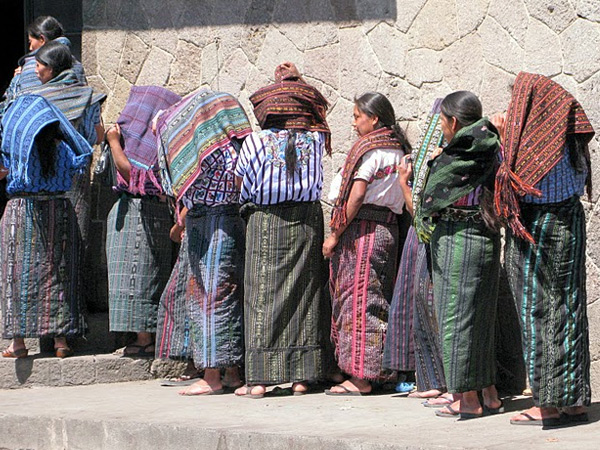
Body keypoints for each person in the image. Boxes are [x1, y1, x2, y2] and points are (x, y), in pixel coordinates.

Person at [493, 72, 593, 427]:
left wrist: (502, 138)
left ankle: (546, 404)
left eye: (515, 105)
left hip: (537, 226)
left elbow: (513, 182)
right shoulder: (567, 137)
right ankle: (574, 402)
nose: (510, 111)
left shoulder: (532, 145)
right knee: (568, 307)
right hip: (569, 222)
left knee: (536, 310)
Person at [233, 62, 331, 398]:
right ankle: (302, 377)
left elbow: (240, 182)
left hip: (265, 222)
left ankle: (260, 379)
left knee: (261, 297)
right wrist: (298, 81)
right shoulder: (315, 140)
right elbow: (319, 110)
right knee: (304, 297)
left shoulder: (255, 142)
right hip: (306, 223)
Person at [155, 88, 252, 395]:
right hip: (232, 221)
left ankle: (211, 376)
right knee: (228, 294)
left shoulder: (203, 150)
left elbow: (178, 184)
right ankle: (232, 373)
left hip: (208, 225)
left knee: (207, 297)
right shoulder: (237, 147)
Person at [414, 91, 503, 419]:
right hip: (487, 236)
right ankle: (489, 395)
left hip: (456, 239)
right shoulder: (493, 146)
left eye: (442, 121)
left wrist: (436, 160)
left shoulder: (456, 154)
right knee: (480, 319)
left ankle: (467, 400)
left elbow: (430, 195)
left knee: (455, 319)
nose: (441, 126)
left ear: (453, 121)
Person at [324, 92, 411, 395]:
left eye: (357, 116)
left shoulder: (371, 151)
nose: (354, 123)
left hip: (363, 231)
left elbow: (358, 194)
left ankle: (361, 377)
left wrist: (335, 234)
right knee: (376, 299)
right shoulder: (399, 149)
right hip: (387, 229)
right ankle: (379, 372)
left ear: (374, 118)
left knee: (358, 301)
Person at [0, 94, 92, 358]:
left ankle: (18, 343)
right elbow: (77, 166)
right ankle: (60, 341)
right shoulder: (64, 148)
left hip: (23, 213)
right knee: (58, 274)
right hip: (59, 211)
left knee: (16, 276)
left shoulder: (17, 150)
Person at [105, 86, 181, 356]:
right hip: (136, 211)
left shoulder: (154, 146)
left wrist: (114, 142)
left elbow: (133, 173)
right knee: (130, 276)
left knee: (141, 274)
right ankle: (138, 335)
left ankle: (145, 338)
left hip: (144, 213)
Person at [384, 98, 448, 400]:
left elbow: (419, 209)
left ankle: (436, 381)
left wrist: (404, 184)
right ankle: (428, 379)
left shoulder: (442, 161)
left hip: (428, 240)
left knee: (429, 308)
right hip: (420, 239)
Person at [2, 16, 86, 106]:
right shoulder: (78, 66)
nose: (30, 48)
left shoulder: (30, 67)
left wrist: (18, 78)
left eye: (30, 42)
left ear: (42, 39)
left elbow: (20, 102)